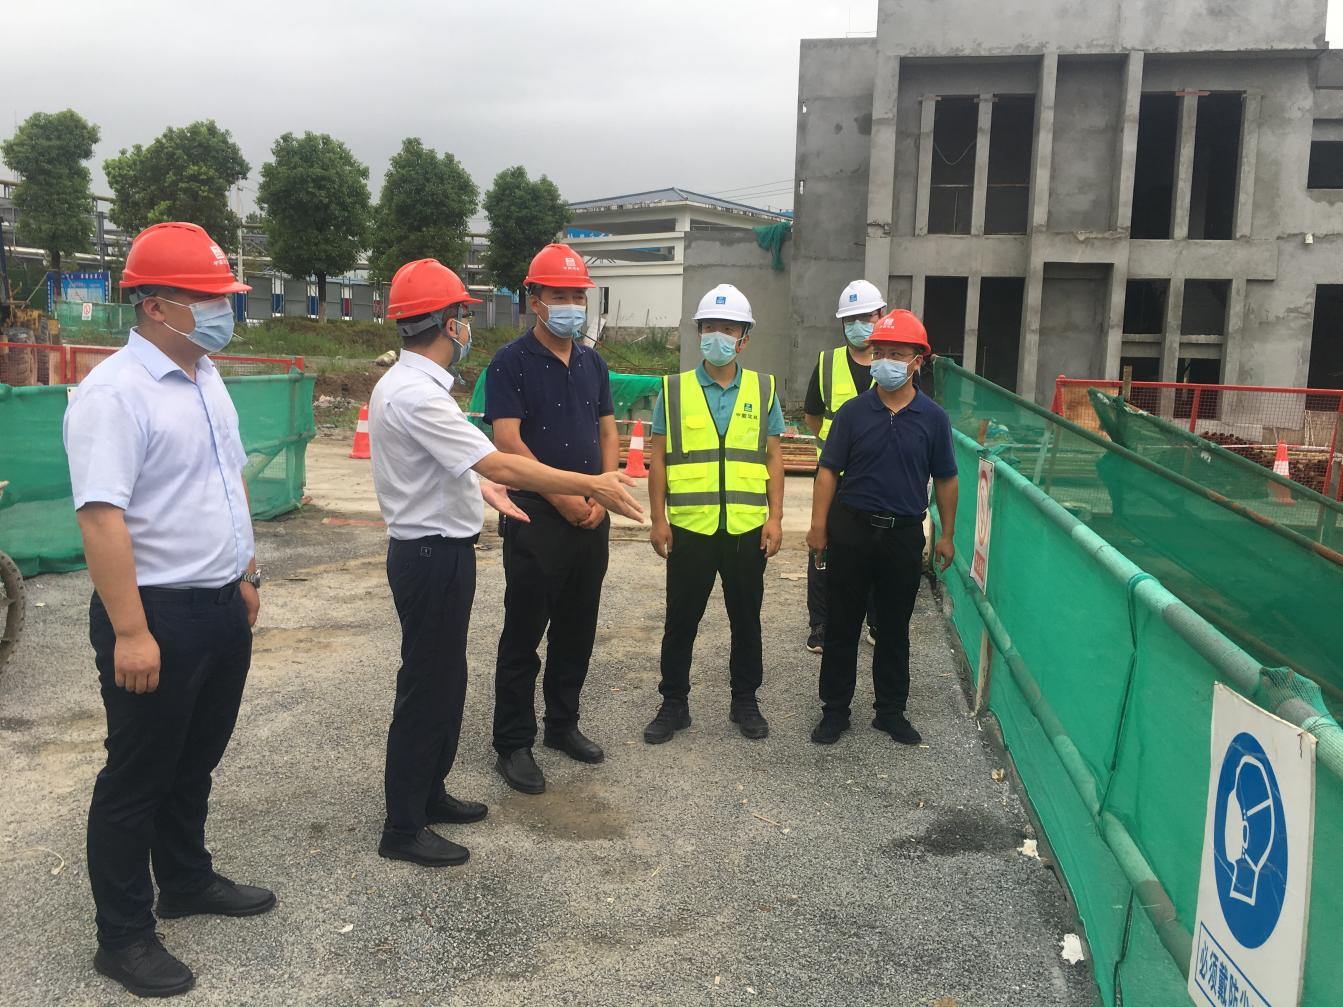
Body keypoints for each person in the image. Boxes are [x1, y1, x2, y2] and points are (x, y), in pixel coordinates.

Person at [368, 258, 642, 867]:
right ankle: (403, 826)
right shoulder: (421, 393)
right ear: (448, 323)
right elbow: (499, 457)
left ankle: (429, 794)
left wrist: (484, 487)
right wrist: (587, 487)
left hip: (442, 547)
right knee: (428, 687)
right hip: (433, 552)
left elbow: (458, 468)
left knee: (444, 682)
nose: (468, 324)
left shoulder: (417, 387)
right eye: (463, 314)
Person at [63, 222, 271, 998]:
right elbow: (100, 516)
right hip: (155, 614)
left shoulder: (204, 374)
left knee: (194, 760)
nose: (225, 312)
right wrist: (130, 630)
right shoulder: (114, 394)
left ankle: (185, 878)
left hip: (219, 603)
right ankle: (123, 935)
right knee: (137, 776)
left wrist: (246, 571)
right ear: (154, 305)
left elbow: (228, 475)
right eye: (210, 298)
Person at [485, 243, 618, 795]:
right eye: (558, 295)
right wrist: (563, 495)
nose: (570, 306)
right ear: (534, 299)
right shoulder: (510, 363)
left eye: (577, 296)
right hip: (537, 514)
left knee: (576, 628)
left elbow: (608, 430)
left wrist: (603, 491)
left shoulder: (592, 362)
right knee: (524, 632)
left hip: (590, 515)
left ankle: (563, 724)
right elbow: (507, 440)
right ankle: (513, 743)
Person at [805, 309, 958, 747]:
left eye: (896, 353)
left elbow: (947, 478)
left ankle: (890, 712)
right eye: (880, 353)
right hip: (851, 530)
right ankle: (835, 711)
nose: (885, 361)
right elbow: (828, 471)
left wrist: (947, 535)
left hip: (903, 535)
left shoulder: (933, 418)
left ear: (917, 361)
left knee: (893, 628)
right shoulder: (852, 413)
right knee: (841, 626)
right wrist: (818, 527)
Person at [643, 284, 785, 745]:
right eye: (709, 327)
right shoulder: (674, 389)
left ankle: (745, 701)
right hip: (690, 528)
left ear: (744, 338)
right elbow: (658, 458)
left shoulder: (764, 389)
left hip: (746, 528)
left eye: (728, 328)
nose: (717, 335)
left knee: (746, 621)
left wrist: (776, 518)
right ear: (699, 333)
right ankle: (673, 703)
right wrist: (658, 519)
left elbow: (774, 457)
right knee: (680, 621)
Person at [801, 279, 885, 654]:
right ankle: (821, 623)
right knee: (822, 547)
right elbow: (812, 417)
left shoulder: (894, 363)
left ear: (880, 315)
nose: (857, 325)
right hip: (832, 478)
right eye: (850, 319)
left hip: (878, 478)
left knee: (877, 551)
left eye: (865, 317)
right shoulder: (826, 363)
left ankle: (876, 621)